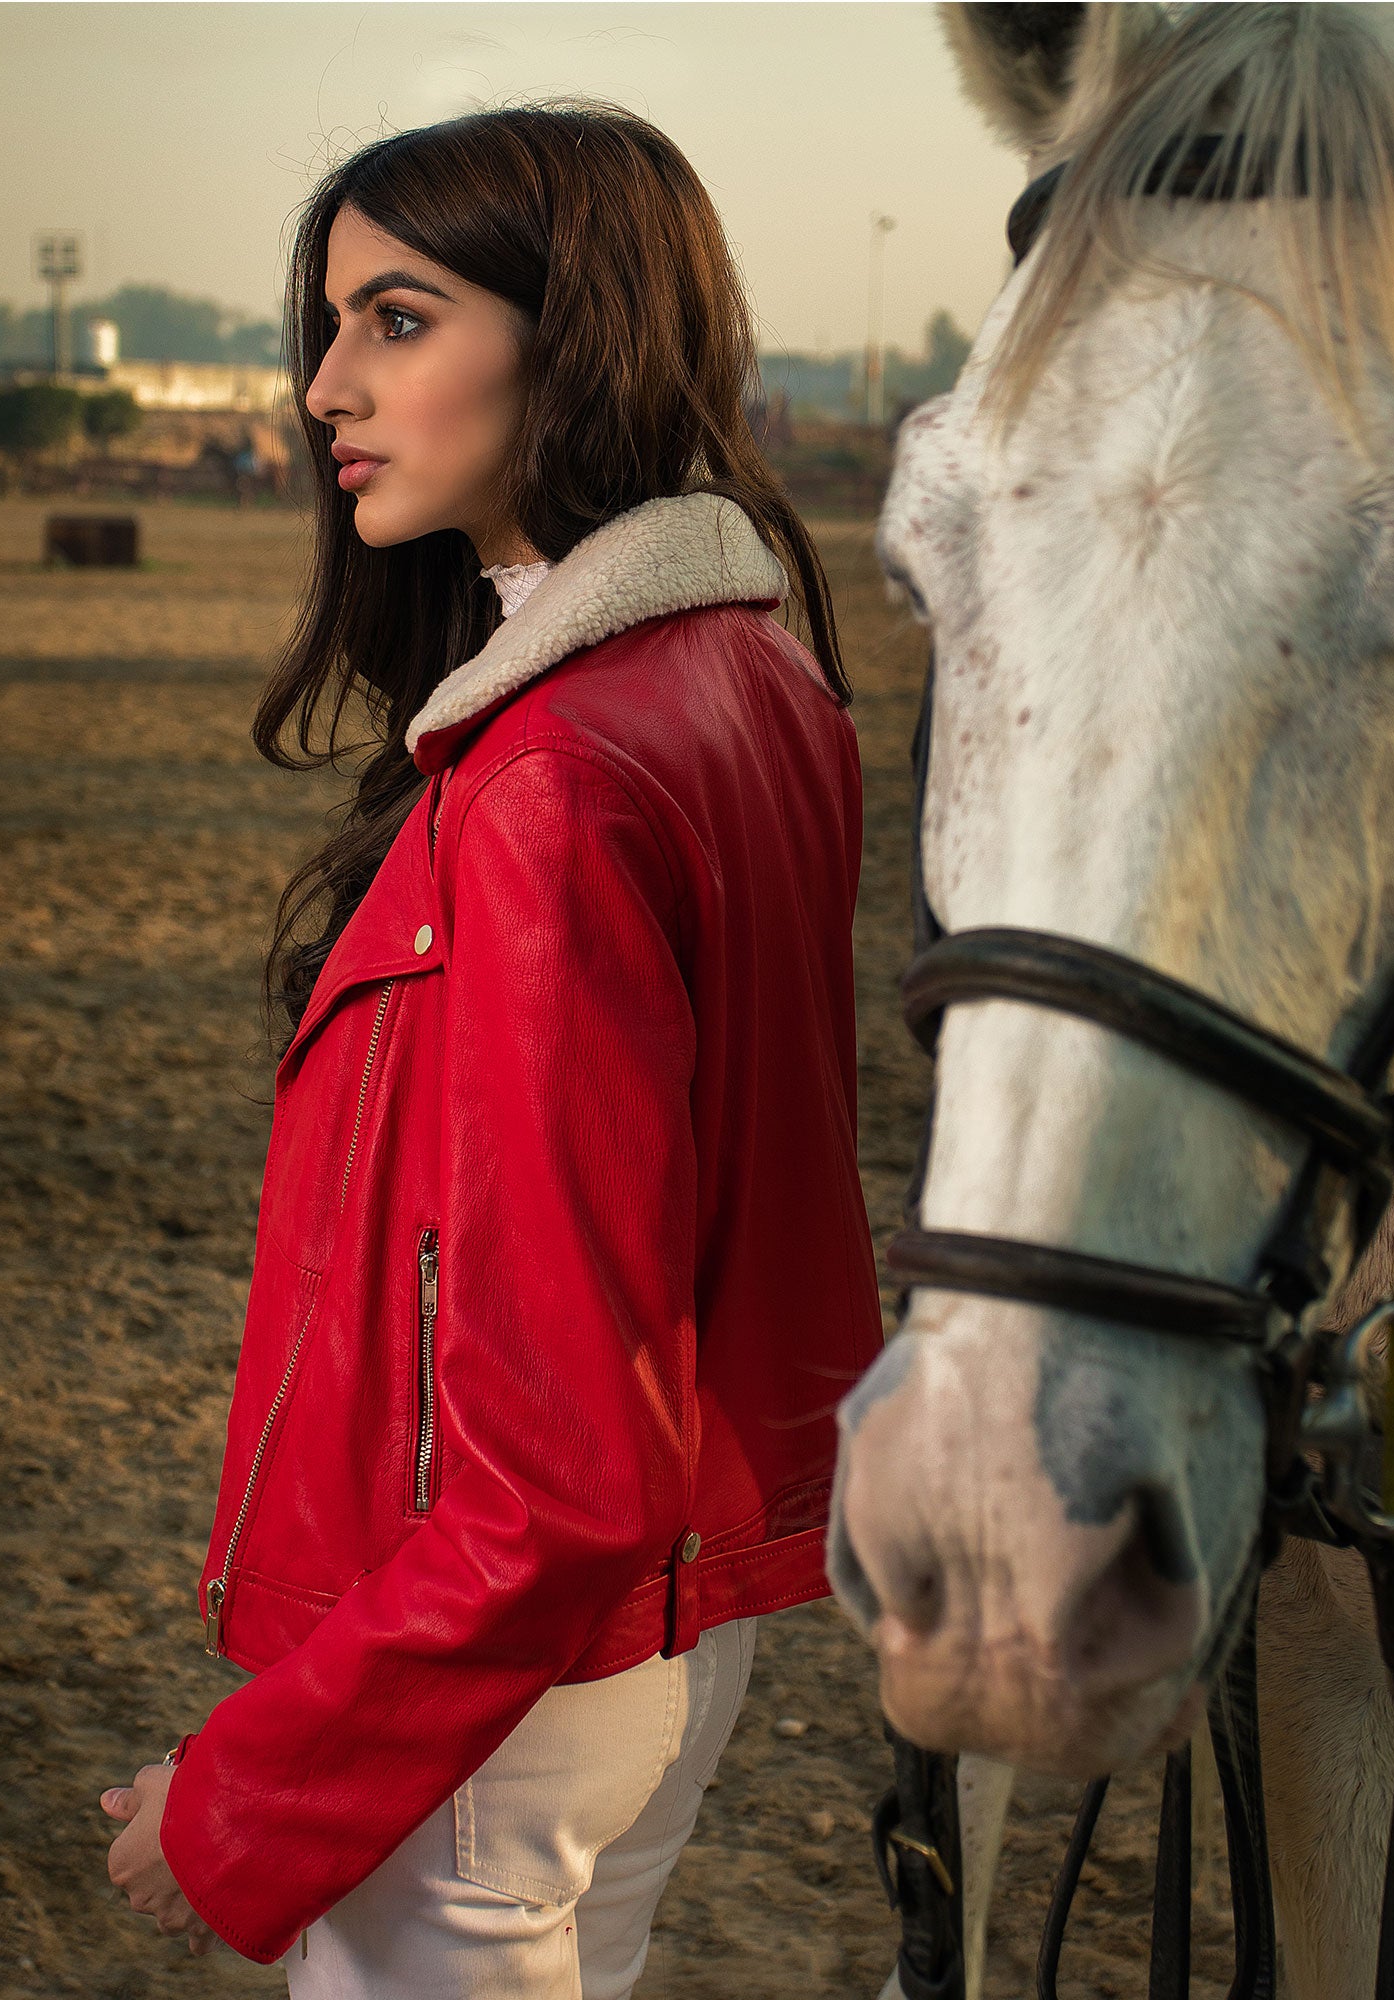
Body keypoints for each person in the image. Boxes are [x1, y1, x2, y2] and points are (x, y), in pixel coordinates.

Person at [97, 103, 882, 1997]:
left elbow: (554, 1468)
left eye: (396, 319)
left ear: (577, 337)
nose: (318, 387)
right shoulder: (759, 684)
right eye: (333, 324)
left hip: (495, 1684)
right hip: (666, 1647)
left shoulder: (553, 778)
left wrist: (249, 1789)